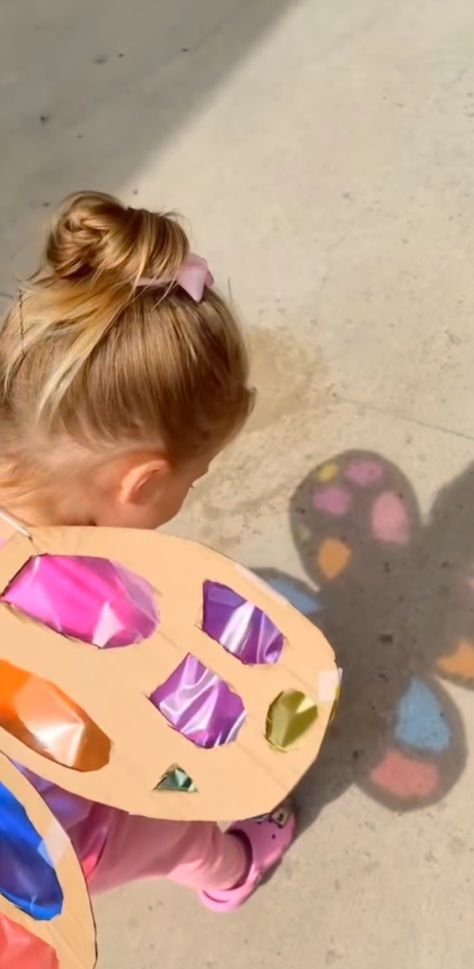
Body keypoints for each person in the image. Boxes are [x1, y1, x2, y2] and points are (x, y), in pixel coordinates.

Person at [0, 190, 294, 911]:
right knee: (178, 831)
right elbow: (202, 717)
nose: (191, 489)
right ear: (142, 483)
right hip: (56, 838)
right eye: (195, 478)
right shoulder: (107, 610)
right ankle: (232, 872)